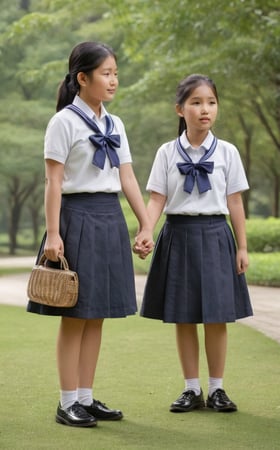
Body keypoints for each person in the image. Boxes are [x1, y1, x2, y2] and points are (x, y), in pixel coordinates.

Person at [27, 41, 153, 428]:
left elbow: (127, 176)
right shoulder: (63, 122)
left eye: (116, 72)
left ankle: (85, 396)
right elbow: (52, 180)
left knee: (96, 314)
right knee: (75, 315)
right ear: (82, 78)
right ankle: (67, 403)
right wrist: (53, 233)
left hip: (109, 216)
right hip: (75, 217)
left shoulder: (115, 124)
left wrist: (146, 223)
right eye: (106, 73)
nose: (114, 80)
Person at [137, 74, 253, 414]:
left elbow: (235, 203)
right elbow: (157, 199)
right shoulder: (167, 152)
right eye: (196, 102)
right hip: (177, 236)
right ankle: (191, 388)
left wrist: (242, 247)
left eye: (211, 103)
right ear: (179, 109)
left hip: (217, 236)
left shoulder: (228, 152)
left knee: (217, 316)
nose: (205, 109)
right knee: (183, 317)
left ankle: (217, 389)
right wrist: (147, 229)